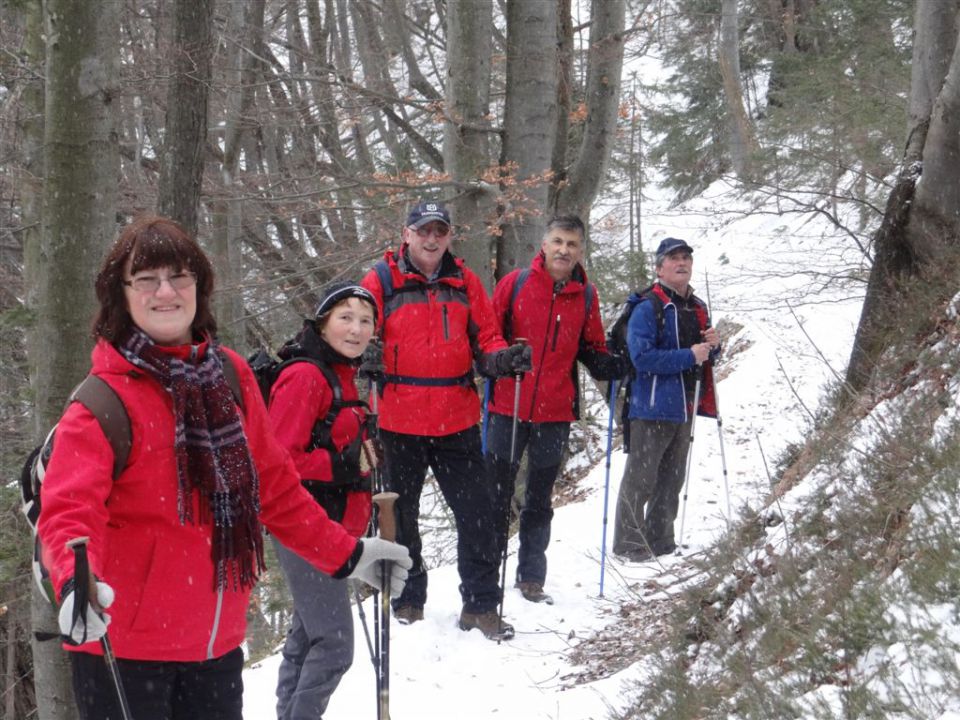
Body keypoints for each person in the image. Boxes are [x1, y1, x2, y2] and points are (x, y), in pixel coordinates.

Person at [37, 215, 411, 720]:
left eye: (180, 276)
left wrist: (347, 554)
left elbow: (275, 490)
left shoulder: (230, 376)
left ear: (200, 286)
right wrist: (75, 584)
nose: (165, 291)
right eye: (146, 279)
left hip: (215, 645)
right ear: (120, 295)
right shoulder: (102, 402)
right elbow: (67, 512)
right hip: (123, 651)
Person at [360, 200, 531, 641]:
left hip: (457, 419)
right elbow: (356, 332)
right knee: (400, 517)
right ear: (407, 234)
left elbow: (487, 338)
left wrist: (501, 359)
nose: (431, 239)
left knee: (478, 514)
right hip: (398, 420)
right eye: (423, 231)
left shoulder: (465, 281)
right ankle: (408, 602)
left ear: (449, 236)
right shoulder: (381, 280)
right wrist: (367, 355)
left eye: (440, 231)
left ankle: (480, 605)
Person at [487, 215, 626, 604]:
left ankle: (531, 577)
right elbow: (488, 335)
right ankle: (487, 573)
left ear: (581, 250)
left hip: (555, 412)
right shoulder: (513, 284)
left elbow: (592, 344)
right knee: (495, 495)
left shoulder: (585, 295)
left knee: (539, 498)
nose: (564, 250)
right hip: (506, 405)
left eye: (573, 244)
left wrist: (611, 363)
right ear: (544, 245)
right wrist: (501, 358)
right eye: (558, 242)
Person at [266, 281, 380, 719]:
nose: (356, 329)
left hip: (332, 525)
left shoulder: (345, 375)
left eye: (365, 320)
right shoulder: (305, 376)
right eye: (345, 318)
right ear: (322, 322)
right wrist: (344, 466)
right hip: (304, 525)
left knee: (306, 634)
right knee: (333, 645)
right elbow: (278, 461)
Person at [612, 237, 720, 561]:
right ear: (659, 268)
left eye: (686, 257)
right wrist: (689, 355)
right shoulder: (648, 306)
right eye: (674, 258)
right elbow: (642, 357)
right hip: (651, 405)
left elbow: (706, 357)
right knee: (641, 478)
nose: (682, 262)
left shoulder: (697, 307)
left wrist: (714, 346)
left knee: (672, 478)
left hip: (685, 403)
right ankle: (628, 544)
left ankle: (661, 540)